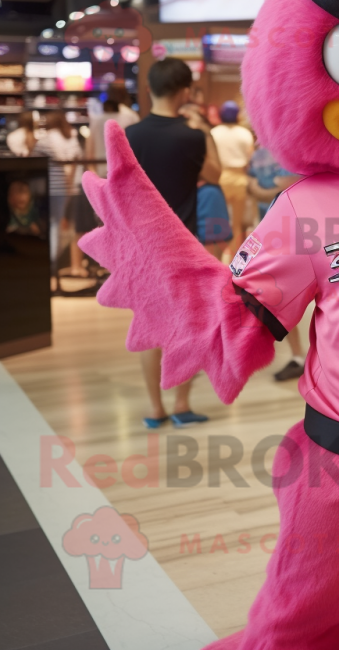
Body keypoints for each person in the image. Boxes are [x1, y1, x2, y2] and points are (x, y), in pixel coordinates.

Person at [125, 58, 222, 428]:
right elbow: (214, 174)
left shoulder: (131, 135)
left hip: (143, 246)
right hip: (184, 243)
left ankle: (155, 409)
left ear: (149, 88)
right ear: (185, 92)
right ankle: (181, 403)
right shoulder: (192, 136)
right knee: (189, 324)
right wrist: (205, 131)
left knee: (148, 325)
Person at [248, 143, 305, 380]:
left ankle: (305, 355)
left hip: (295, 229)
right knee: (281, 295)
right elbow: (257, 187)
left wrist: (259, 190)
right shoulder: (261, 153)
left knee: (292, 295)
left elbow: (282, 186)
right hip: (273, 229)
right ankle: (299, 356)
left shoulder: (288, 150)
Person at [33, 111, 82, 273]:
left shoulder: (45, 139)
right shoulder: (71, 137)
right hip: (69, 187)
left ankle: (50, 264)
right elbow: (75, 162)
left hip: (48, 187)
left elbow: (34, 162)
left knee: (50, 225)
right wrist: (69, 185)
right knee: (63, 226)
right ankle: (55, 262)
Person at [210, 101, 254, 260]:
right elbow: (250, 160)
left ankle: (218, 257)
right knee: (237, 223)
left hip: (219, 179)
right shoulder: (245, 133)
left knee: (218, 221)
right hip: (239, 179)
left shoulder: (214, 132)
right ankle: (236, 259)